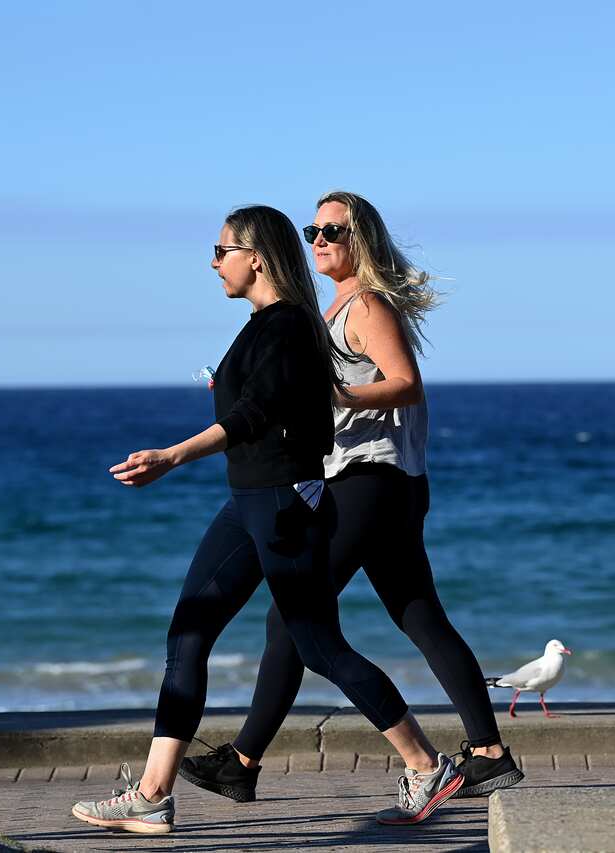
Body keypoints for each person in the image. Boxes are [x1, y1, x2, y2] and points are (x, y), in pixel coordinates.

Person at [71, 205, 464, 835]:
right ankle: (152, 793)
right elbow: (261, 404)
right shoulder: (262, 327)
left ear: (255, 256)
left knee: (316, 643)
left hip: (283, 502)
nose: (213, 262)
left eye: (221, 249)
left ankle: (425, 764)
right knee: (190, 631)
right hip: (248, 501)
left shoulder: (286, 327)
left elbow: (255, 417)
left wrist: (174, 454)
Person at [177, 191, 521, 805]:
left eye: (333, 230)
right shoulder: (330, 307)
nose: (319, 240)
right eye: (312, 230)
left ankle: (245, 760)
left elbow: (406, 384)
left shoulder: (365, 306)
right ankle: (489, 752)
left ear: (362, 238)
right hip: (384, 481)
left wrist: (332, 397)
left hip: (369, 479)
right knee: (417, 612)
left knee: (293, 619)